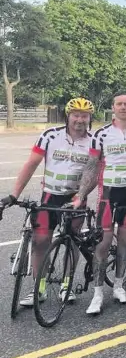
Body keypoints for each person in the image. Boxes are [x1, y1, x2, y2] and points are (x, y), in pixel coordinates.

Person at [0, 97, 95, 306]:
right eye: (76, 115)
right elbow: (31, 164)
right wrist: (14, 195)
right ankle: (39, 287)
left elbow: (95, 172)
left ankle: (66, 285)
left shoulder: (94, 141)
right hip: (50, 195)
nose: (80, 119)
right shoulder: (50, 136)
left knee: (72, 240)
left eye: (84, 115)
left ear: (90, 118)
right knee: (40, 241)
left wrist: (80, 197)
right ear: (68, 116)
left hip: (75, 198)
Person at [72, 92, 126, 315]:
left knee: (125, 242)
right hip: (108, 195)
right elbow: (91, 165)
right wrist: (80, 195)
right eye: (119, 104)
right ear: (113, 107)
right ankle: (97, 294)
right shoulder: (102, 133)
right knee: (102, 245)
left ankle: (118, 286)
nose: (123, 107)